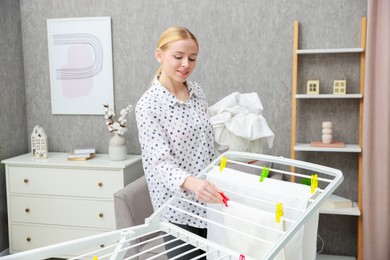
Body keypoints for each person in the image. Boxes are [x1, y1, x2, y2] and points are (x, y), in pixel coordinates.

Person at [135, 26, 224, 259]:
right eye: (178, 57)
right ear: (159, 55)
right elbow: (159, 163)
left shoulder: (197, 92)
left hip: (208, 200)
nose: (186, 64)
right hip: (178, 208)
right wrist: (192, 183)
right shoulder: (148, 106)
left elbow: (205, 142)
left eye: (192, 58)